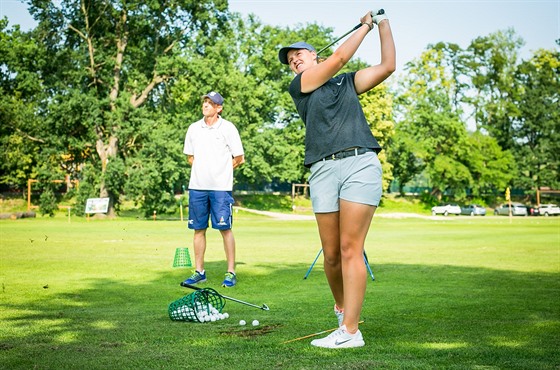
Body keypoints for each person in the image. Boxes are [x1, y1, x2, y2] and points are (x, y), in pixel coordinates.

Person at [278, 9, 395, 348]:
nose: (294, 60)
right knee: (330, 255)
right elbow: (342, 56)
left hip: (360, 163)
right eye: (290, 60)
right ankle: (342, 311)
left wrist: (384, 23)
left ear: (316, 55)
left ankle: (351, 332)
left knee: (349, 248)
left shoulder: (346, 83)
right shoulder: (299, 87)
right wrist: (365, 26)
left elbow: (388, 66)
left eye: (299, 54)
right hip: (323, 169)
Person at [182, 91, 245, 288]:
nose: (206, 105)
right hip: (197, 188)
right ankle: (199, 272)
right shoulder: (194, 128)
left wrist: (221, 171)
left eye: (211, 103)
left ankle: (231, 272)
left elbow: (239, 158)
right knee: (198, 230)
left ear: (219, 108)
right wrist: (204, 170)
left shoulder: (228, 128)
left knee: (225, 229)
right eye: (205, 102)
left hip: (220, 189)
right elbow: (190, 157)